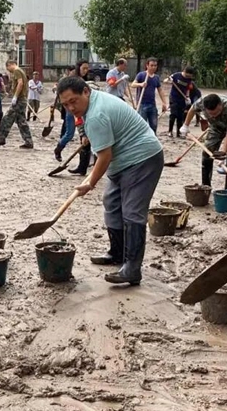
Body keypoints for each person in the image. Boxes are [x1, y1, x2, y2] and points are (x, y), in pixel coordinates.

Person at [58, 76, 164, 286]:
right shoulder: (94, 105)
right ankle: (117, 254)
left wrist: (90, 183)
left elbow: (104, 156)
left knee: (132, 211)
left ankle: (132, 268)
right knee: (112, 203)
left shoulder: (97, 114)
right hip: (122, 161)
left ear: (86, 92)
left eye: (73, 101)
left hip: (142, 158)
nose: (70, 107)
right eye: (65, 104)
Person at [181, 94, 227, 190]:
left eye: (216, 113)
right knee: (207, 151)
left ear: (220, 105)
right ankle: (206, 186)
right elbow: (192, 109)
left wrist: (224, 152)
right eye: (211, 114)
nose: (214, 115)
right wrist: (185, 125)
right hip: (216, 126)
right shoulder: (202, 102)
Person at [0, 60, 33, 149]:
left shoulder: (17, 71)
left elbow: (20, 83)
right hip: (22, 100)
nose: (8, 70)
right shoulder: (21, 71)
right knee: (22, 122)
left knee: (6, 119)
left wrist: (15, 97)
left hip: (19, 100)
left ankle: (1, 139)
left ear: (10, 65)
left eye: (7, 68)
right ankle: (29, 141)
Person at [54, 60, 89, 163]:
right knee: (70, 133)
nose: (85, 71)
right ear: (78, 68)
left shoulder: (84, 80)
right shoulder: (72, 77)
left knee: (85, 133)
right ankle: (58, 149)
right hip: (71, 109)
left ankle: (83, 162)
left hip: (82, 108)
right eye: (84, 68)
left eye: (87, 69)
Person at [132, 58, 168, 133]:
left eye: (155, 65)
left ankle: (153, 141)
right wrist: (141, 84)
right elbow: (133, 84)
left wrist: (164, 103)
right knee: (142, 126)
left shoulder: (156, 78)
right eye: (151, 65)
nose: (153, 67)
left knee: (154, 126)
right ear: (147, 66)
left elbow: (160, 90)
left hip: (152, 105)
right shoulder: (141, 75)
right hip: (142, 104)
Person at [165, 66, 200, 138]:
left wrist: (187, 97)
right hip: (173, 97)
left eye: (190, 76)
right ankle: (170, 131)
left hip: (182, 99)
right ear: (184, 71)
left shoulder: (189, 79)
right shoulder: (176, 75)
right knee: (173, 114)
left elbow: (187, 89)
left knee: (180, 117)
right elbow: (165, 81)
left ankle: (179, 133)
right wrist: (169, 80)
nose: (188, 77)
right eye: (187, 75)